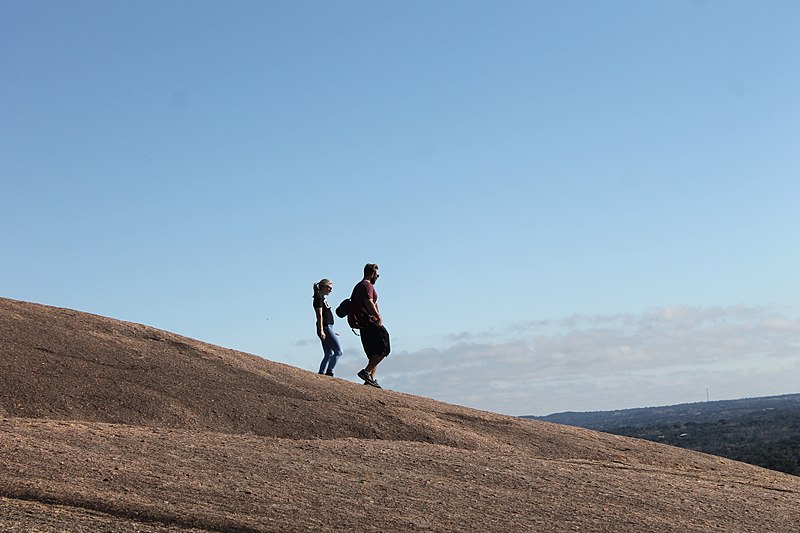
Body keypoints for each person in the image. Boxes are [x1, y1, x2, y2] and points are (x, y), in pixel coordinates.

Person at [350, 263, 390, 388]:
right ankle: (366, 372)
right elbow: (369, 302)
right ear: (372, 274)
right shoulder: (367, 286)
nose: (377, 277)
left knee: (373, 352)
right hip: (369, 321)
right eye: (377, 275)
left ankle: (371, 378)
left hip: (362, 323)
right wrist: (378, 316)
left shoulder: (359, 286)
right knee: (384, 347)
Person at [313, 278, 342, 376]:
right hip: (325, 327)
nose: (331, 290)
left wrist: (332, 331)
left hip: (328, 327)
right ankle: (330, 371)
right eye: (329, 287)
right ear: (324, 287)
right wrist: (322, 330)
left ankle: (321, 373)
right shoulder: (318, 298)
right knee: (338, 352)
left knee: (328, 354)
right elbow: (319, 315)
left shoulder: (322, 298)